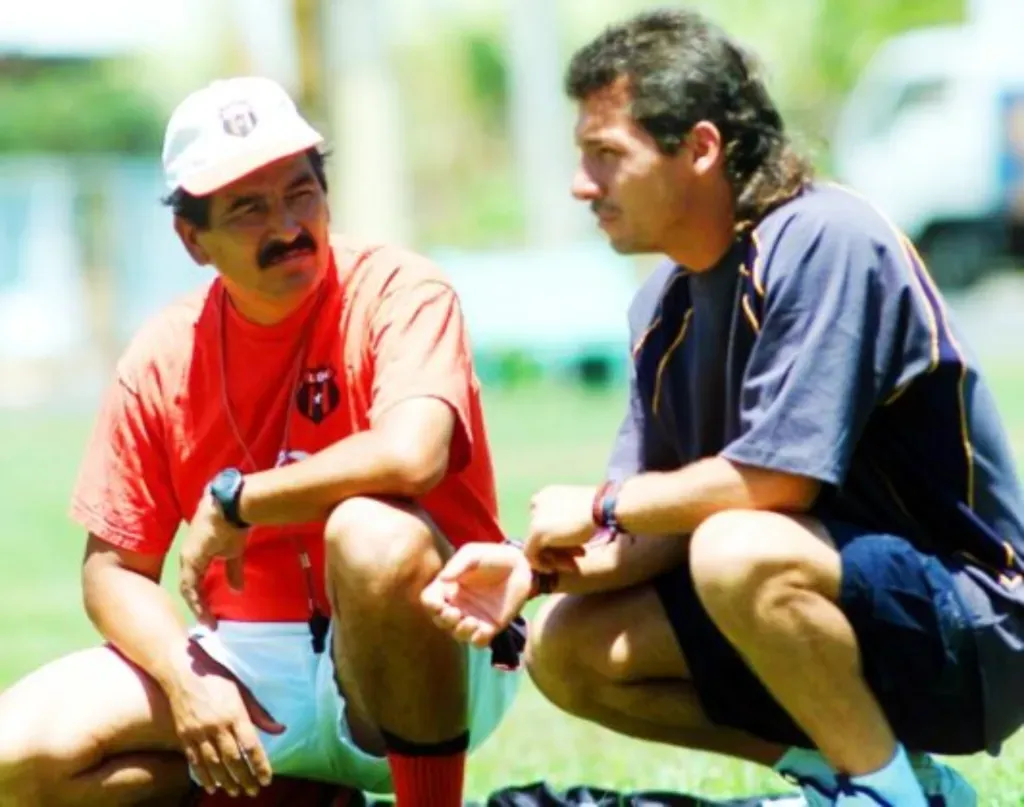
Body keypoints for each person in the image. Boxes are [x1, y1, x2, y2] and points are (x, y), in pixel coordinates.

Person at [422, 8, 1024, 807]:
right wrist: (530, 570)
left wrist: (599, 502)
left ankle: (885, 798)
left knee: (735, 545)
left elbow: (774, 485)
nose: (581, 184)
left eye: (606, 154)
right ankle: (874, 778)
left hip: (972, 629)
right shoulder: (660, 310)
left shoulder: (826, 238)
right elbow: (651, 533)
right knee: (567, 645)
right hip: (813, 608)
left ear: (700, 149)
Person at [0, 75, 519, 807]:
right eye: (249, 207)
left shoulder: (401, 289)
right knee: (18, 755)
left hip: (434, 637)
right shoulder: (161, 354)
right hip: (248, 659)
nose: (287, 225)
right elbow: (113, 568)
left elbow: (411, 454)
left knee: (372, 534)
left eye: (301, 192)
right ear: (192, 238)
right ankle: (297, 792)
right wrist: (188, 682)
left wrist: (240, 500)